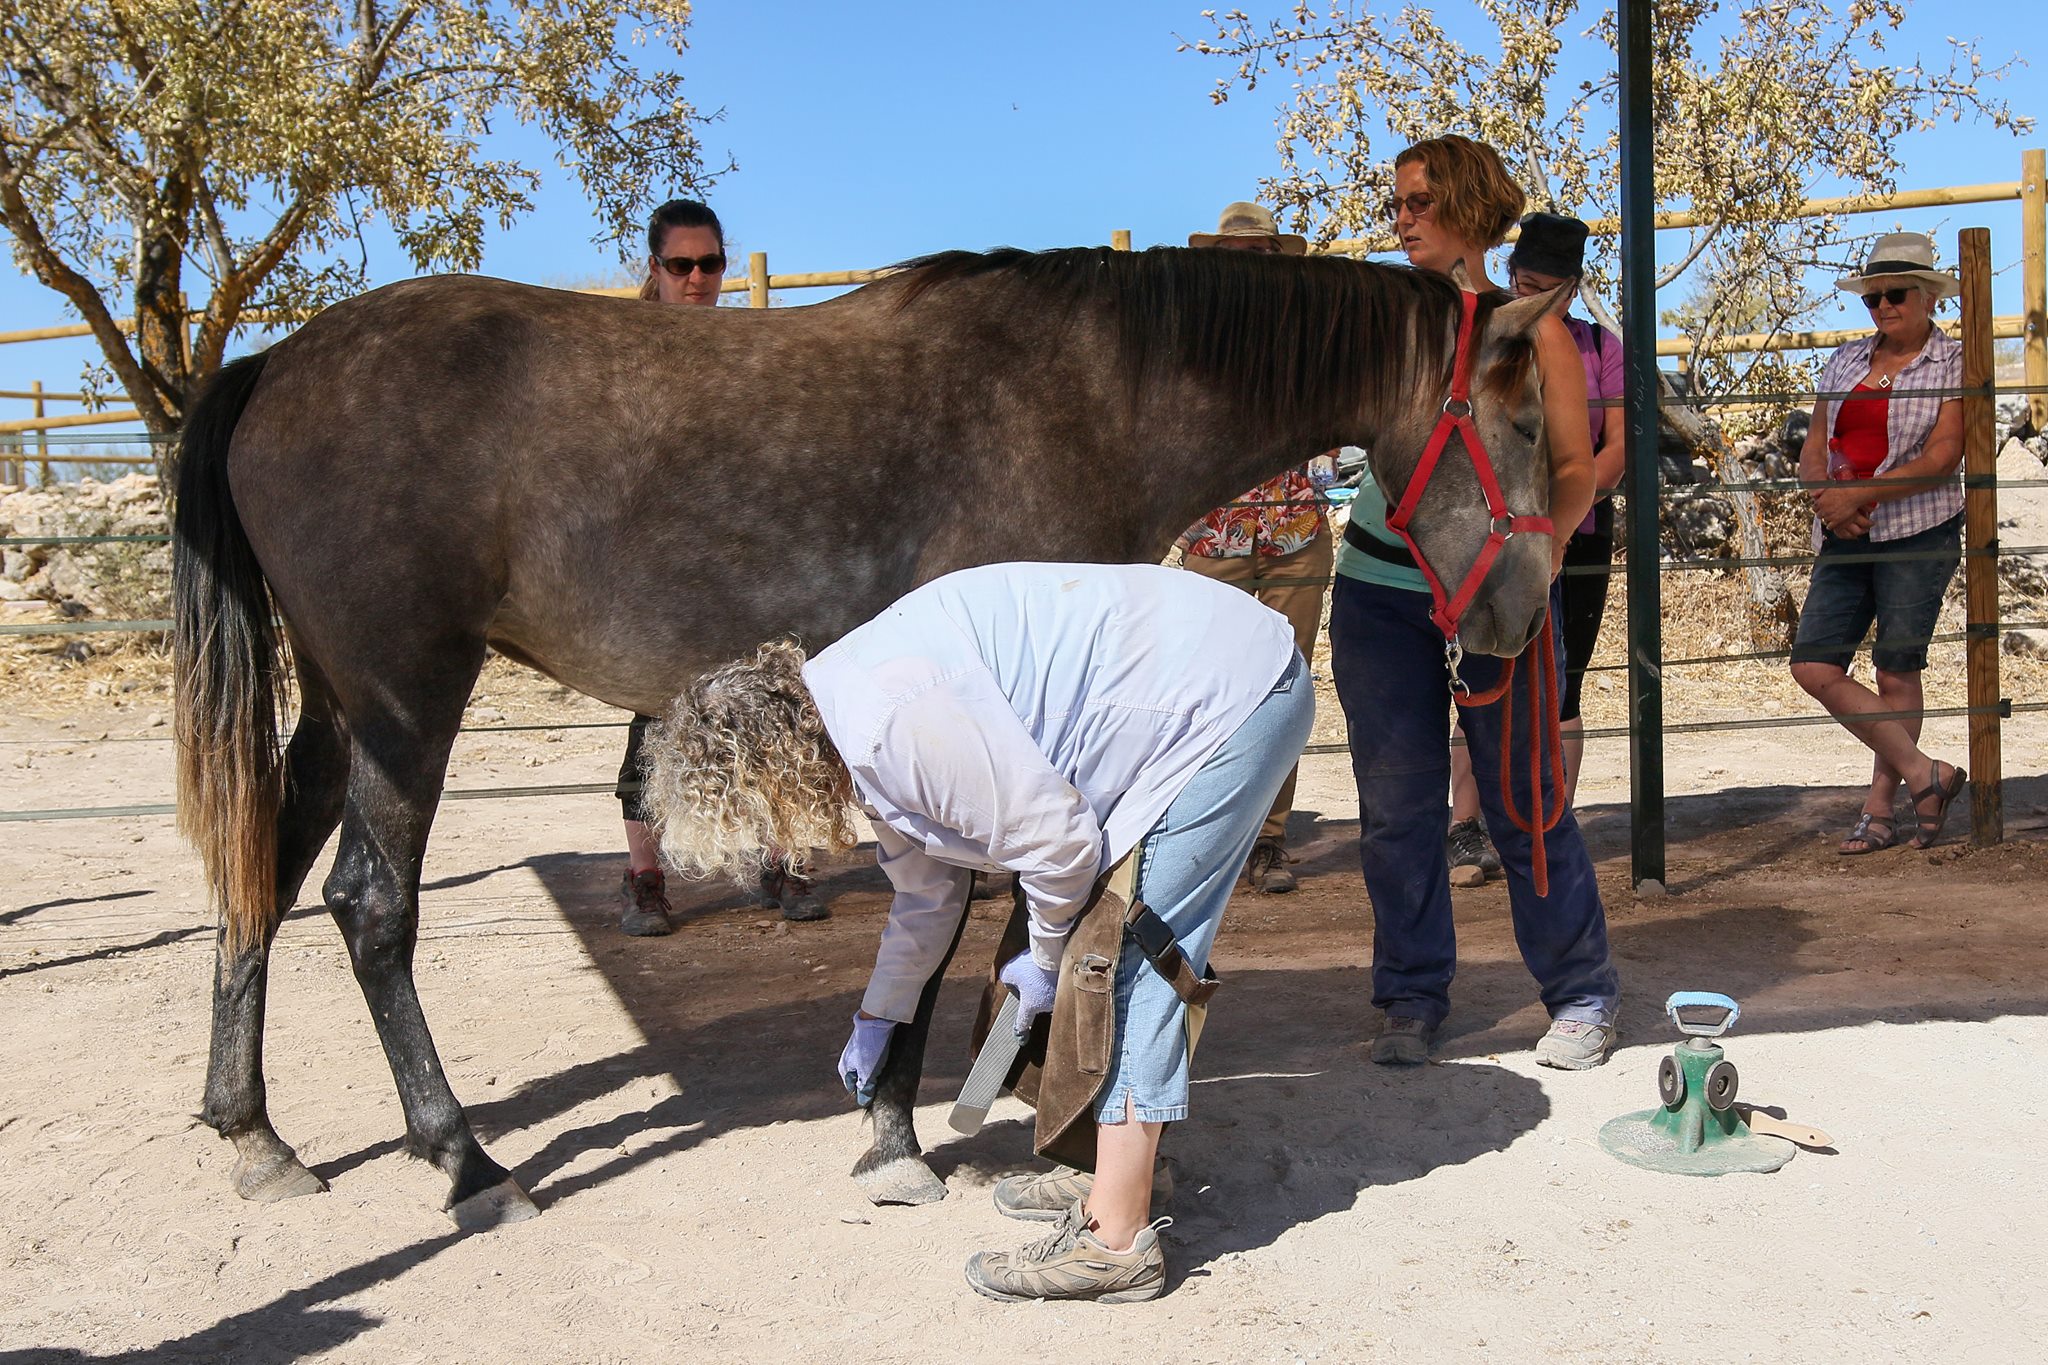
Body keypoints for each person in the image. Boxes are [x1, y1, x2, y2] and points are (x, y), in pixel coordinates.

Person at [647, 564, 1313, 1302]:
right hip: (1201, 680)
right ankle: (1112, 1172)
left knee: (1128, 956)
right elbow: (926, 894)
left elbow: (1057, 842)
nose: (777, 836)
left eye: (759, 816)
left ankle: (1116, 1241)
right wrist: (879, 1013)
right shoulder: (847, 716)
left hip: (1227, 695)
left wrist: (1049, 958)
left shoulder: (888, 725)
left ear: (770, 771)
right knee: (1089, 940)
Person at [1331, 134, 1620, 1070]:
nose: (1401, 217)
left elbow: (1575, 470)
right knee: (1396, 806)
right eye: (1398, 202)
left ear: (1464, 206)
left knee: (1524, 797)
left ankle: (1580, 990)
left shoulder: (1533, 329)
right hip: (1377, 591)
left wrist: (1525, 566)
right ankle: (1410, 996)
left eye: (1418, 200)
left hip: (1496, 600)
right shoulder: (1381, 321)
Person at [618, 197, 827, 935]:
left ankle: (786, 862)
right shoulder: (630, 349)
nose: (698, 277)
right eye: (681, 265)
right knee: (652, 710)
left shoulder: (745, 344)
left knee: (776, 702)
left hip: (748, 552)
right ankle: (645, 879)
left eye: (709, 263)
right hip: (663, 557)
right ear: (656, 268)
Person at [1789, 231, 1968, 853]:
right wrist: (1828, 501)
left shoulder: (1953, 364)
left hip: (1918, 528)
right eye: (1873, 297)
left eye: (1895, 295)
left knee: (1896, 670)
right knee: (1813, 664)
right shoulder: (1844, 359)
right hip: (1844, 527)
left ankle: (1880, 808)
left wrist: (1861, 497)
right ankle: (1927, 774)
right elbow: (1815, 444)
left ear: (1928, 297)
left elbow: (1945, 456)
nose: (1883, 307)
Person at [1179, 200, 1336, 895]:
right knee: (1211, 688)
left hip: (1296, 531)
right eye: (1237, 253)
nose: (1250, 264)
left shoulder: (1308, 332)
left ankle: (1269, 839)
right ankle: (1212, 833)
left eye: (1261, 252)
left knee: (1284, 684)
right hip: (1215, 534)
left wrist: (1326, 448)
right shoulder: (1192, 338)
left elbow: (1338, 405)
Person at [1505, 213, 1626, 805]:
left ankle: (1556, 816)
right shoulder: (1492, 338)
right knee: (1488, 669)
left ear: (1573, 290)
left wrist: (1562, 515)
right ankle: (1468, 825)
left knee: (1565, 677)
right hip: (1497, 533)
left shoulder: (1601, 347)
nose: (1529, 300)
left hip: (1582, 530)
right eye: (1522, 286)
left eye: (1544, 291)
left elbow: (1619, 447)